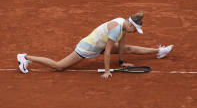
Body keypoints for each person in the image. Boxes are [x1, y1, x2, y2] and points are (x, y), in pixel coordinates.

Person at [17, 12, 173, 78]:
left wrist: (121, 61)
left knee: (129, 48)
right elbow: (107, 52)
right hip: (88, 47)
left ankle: (159, 51)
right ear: (131, 24)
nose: (135, 31)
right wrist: (106, 71)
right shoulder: (116, 28)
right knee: (59, 66)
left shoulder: (123, 23)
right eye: (136, 29)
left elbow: (124, 44)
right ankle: (25, 57)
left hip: (100, 45)